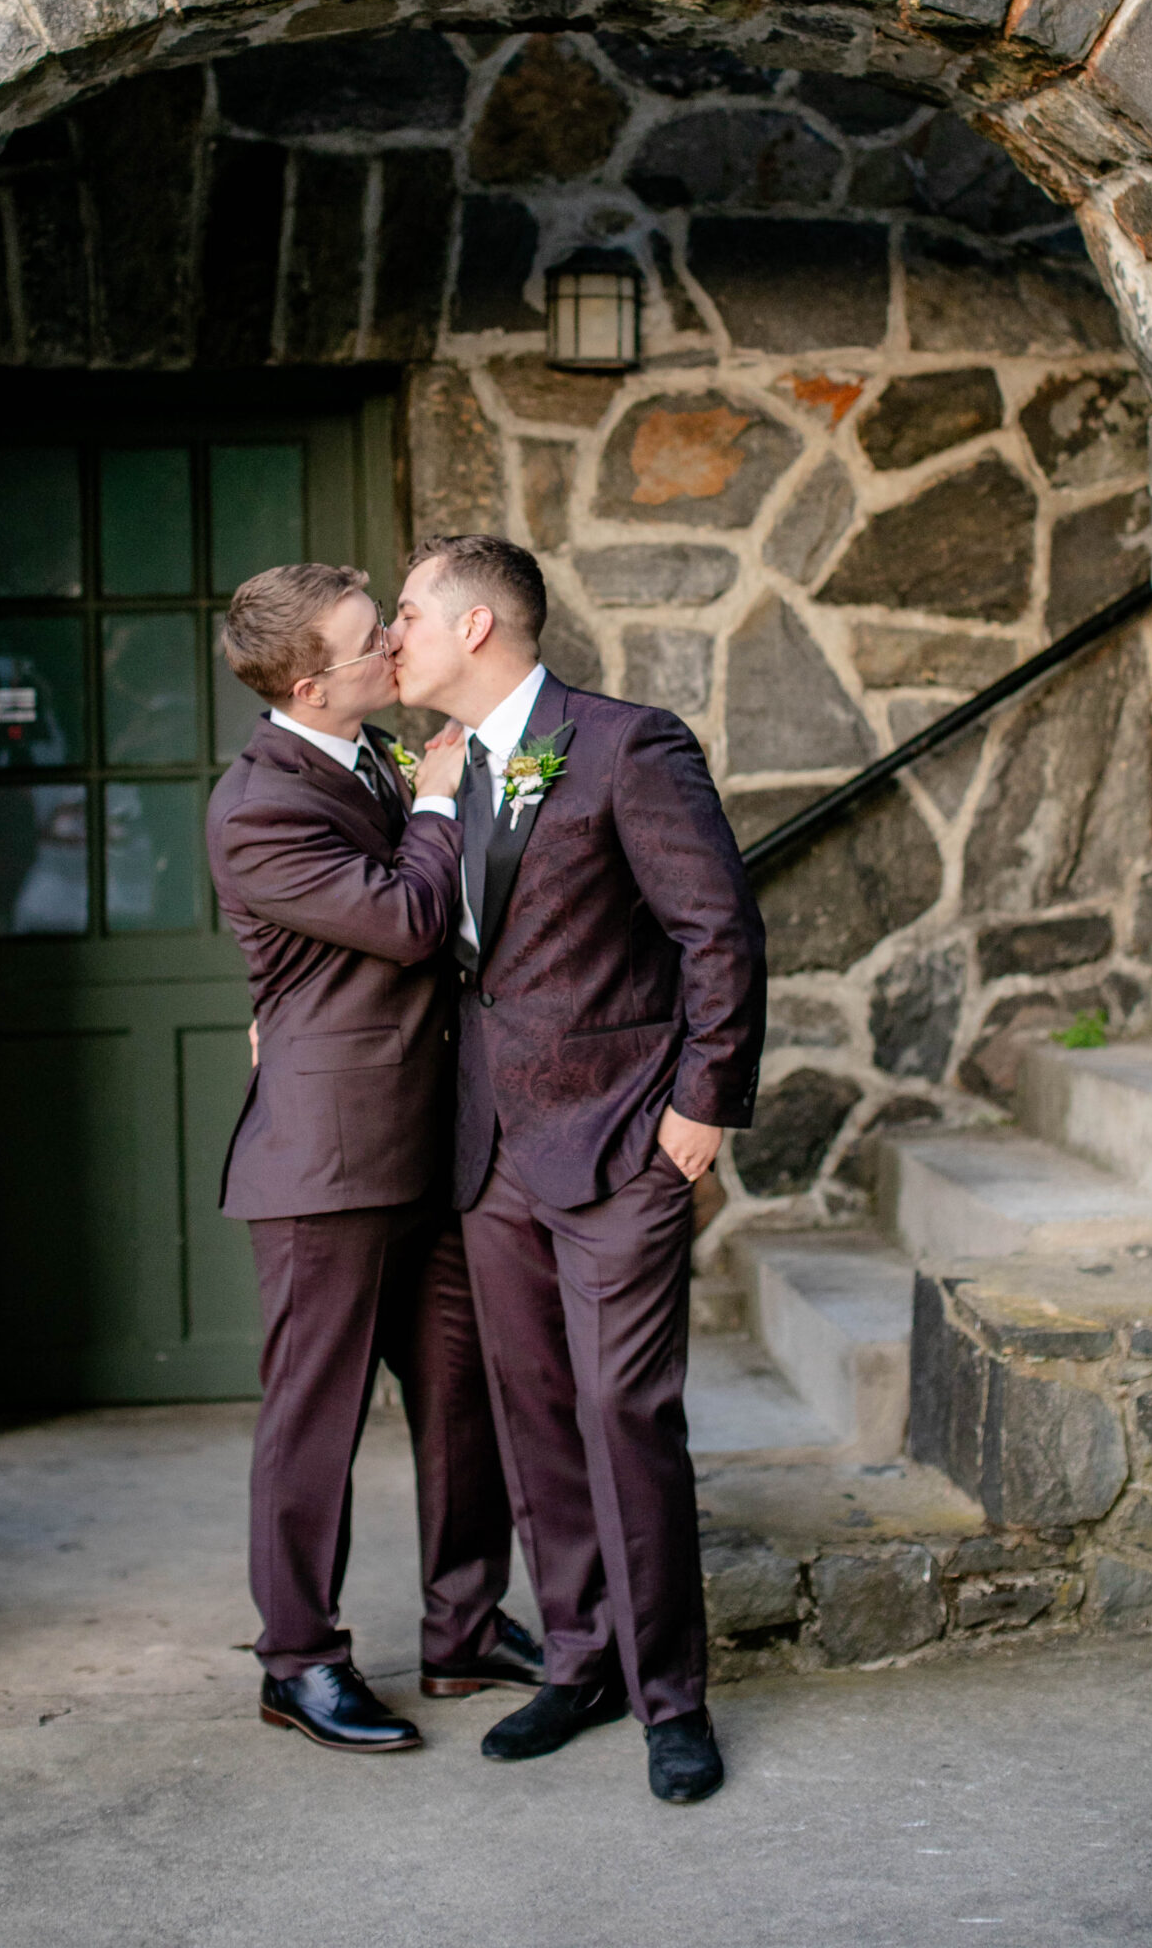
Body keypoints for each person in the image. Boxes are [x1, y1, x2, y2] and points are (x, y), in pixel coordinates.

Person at [387, 534, 765, 1805]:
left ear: (479, 626)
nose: (396, 636)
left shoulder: (623, 745)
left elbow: (718, 927)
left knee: (624, 1415)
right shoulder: (441, 768)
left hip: (619, 1142)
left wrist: (702, 1105)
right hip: (492, 1149)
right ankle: (582, 1657)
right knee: (534, 1417)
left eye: (409, 615)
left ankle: (673, 1696)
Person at [206, 561, 540, 1756]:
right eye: (368, 644)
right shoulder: (255, 806)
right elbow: (404, 920)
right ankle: (298, 1659)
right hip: (325, 1160)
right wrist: (445, 805)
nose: (390, 653)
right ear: (311, 682)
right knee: (317, 1419)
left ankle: (463, 1627)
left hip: (432, 1140)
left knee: (460, 1394)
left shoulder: (377, 757)